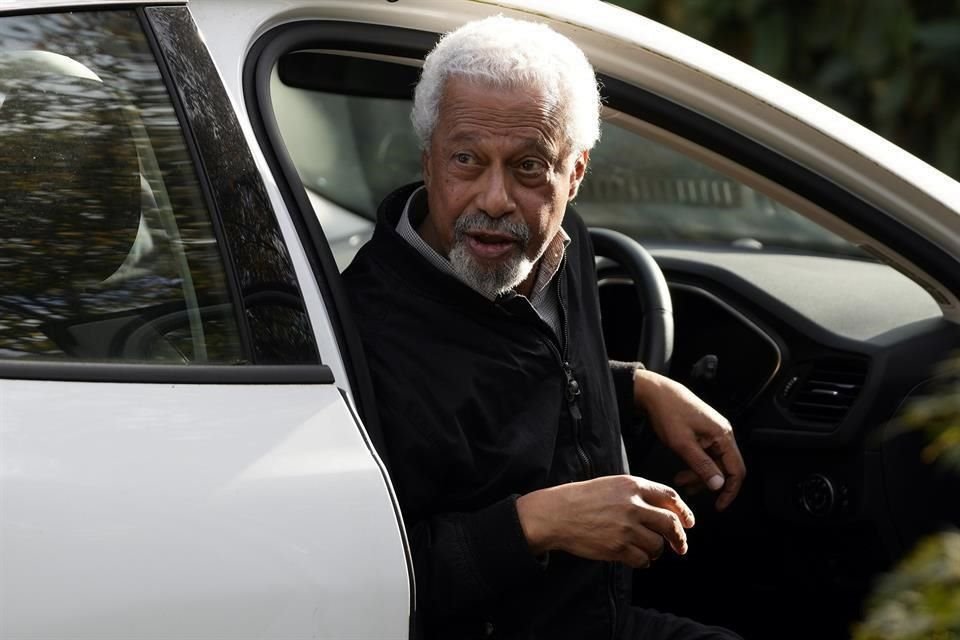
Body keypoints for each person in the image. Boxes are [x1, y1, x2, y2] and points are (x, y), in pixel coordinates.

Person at [343, 14, 746, 640]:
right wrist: (537, 524)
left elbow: (512, 371)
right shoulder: (366, 334)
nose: (495, 198)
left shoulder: (561, 245)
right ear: (429, 161)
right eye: (467, 160)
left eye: (530, 166)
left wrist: (636, 386)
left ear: (575, 174)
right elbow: (369, 585)